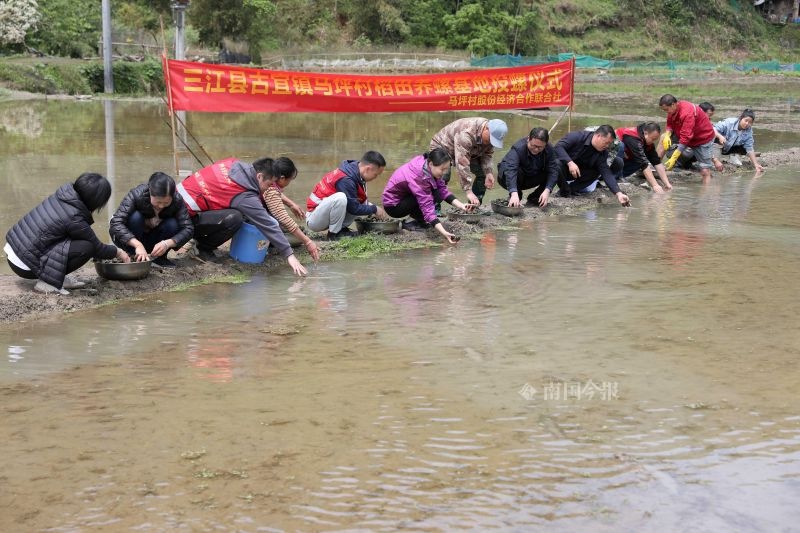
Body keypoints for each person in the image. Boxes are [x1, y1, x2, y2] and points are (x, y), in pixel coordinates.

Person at [176, 156, 308, 276]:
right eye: (268, 185)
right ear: (260, 177)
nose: (268, 189)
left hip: (174, 204)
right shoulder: (244, 194)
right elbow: (267, 223)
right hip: (180, 222)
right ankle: (203, 248)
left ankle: (198, 241)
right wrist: (289, 255)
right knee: (235, 218)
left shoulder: (233, 164)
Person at [5, 172, 131, 295]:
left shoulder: (64, 196)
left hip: (16, 251)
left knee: (73, 239)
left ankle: (57, 277)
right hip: (25, 265)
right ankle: (48, 283)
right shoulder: (74, 216)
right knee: (87, 247)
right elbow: (97, 248)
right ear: (96, 202)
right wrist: (118, 252)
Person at [382, 148, 471, 244]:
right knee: (432, 195)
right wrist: (444, 233)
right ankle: (410, 222)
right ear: (431, 164)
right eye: (442, 169)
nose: (444, 173)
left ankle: (416, 220)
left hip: (406, 197)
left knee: (437, 193)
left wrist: (462, 206)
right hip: (393, 206)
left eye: (446, 169)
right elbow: (427, 207)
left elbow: (443, 191)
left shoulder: (428, 168)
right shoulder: (419, 177)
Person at [109, 172, 194, 268]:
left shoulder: (177, 200)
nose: (161, 206)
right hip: (130, 240)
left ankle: (160, 258)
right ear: (150, 192)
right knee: (136, 217)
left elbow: (188, 229)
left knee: (172, 223)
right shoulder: (136, 195)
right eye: (158, 202)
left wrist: (167, 243)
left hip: (154, 241)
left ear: (172, 196)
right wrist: (137, 245)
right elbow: (116, 223)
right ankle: (132, 255)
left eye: (166, 202)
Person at [305, 151, 389, 241]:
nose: (376, 178)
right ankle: (334, 234)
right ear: (368, 169)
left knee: (354, 200)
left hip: (324, 213)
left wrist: (375, 209)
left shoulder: (356, 173)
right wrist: (374, 209)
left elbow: (358, 202)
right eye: (376, 174)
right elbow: (353, 208)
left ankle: (341, 230)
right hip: (314, 219)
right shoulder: (346, 180)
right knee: (341, 198)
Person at [429, 117, 508, 205]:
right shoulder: (466, 133)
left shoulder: (489, 136)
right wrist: (468, 190)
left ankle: (474, 204)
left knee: (483, 174)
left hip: (470, 150)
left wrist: (488, 172)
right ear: (486, 128)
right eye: (490, 139)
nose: (490, 142)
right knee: (443, 175)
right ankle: (434, 207)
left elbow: (487, 154)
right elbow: (462, 163)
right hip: (443, 147)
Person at [260, 157, 321, 260]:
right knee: (298, 237)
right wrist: (308, 242)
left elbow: (275, 192)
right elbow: (285, 220)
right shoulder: (271, 191)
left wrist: (291, 204)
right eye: (290, 180)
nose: (289, 183)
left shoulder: (266, 179)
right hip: (258, 227)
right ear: (282, 178)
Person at [554, 125, 630, 206]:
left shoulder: (603, 152)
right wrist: (570, 162)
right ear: (598, 136)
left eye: (609, 144)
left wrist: (618, 193)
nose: (607, 146)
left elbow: (606, 172)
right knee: (556, 163)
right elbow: (558, 147)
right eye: (606, 142)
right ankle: (564, 190)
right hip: (564, 169)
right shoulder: (577, 136)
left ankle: (570, 190)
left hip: (580, 173)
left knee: (597, 171)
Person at [658, 94, 723, 183]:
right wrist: (668, 133)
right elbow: (670, 123)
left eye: (666, 109)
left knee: (705, 171)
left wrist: (674, 157)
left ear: (673, 104)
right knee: (663, 137)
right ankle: (656, 164)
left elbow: (686, 138)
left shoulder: (687, 113)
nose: (666, 112)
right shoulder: (672, 111)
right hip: (685, 135)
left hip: (702, 139)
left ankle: (706, 195)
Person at [497, 127, 560, 208]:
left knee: (557, 167)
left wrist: (548, 190)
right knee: (513, 170)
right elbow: (511, 170)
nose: (536, 149)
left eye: (540, 147)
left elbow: (553, 171)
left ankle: (535, 197)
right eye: (534, 146)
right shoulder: (518, 148)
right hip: (509, 178)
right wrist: (513, 192)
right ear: (528, 139)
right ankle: (516, 197)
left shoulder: (549, 149)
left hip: (531, 176)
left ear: (546, 144)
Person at [614, 122, 673, 193]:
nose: (653, 142)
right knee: (621, 146)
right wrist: (655, 185)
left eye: (655, 140)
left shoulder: (648, 142)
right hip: (609, 159)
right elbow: (643, 163)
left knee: (639, 161)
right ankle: (616, 177)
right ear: (645, 133)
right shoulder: (633, 137)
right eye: (652, 139)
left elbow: (657, 162)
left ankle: (617, 176)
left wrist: (667, 184)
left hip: (623, 160)